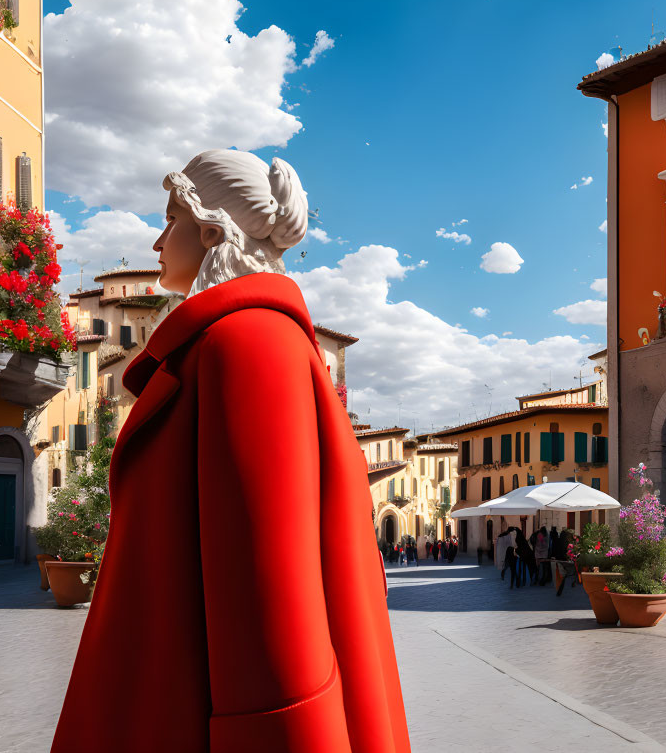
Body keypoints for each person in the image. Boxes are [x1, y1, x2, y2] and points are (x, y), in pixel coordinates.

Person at [52, 150, 411, 753]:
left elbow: (272, 598)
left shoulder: (248, 344)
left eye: (171, 220)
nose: (159, 238)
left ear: (212, 230)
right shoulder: (238, 340)